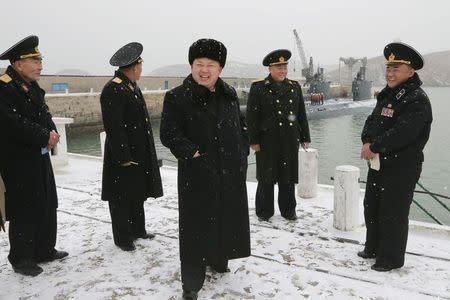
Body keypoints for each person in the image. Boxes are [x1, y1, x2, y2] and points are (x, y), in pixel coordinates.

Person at [160, 38, 250, 300]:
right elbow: (168, 134)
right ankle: (192, 278)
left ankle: (219, 256)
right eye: (199, 64)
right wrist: (192, 152)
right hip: (197, 174)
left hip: (229, 172)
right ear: (191, 66)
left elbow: (241, 125)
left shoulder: (229, 94)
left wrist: (242, 150)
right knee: (195, 225)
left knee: (224, 217)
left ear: (220, 68)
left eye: (211, 64)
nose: (204, 70)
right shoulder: (177, 97)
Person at [359, 42, 432, 272]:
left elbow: (403, 133)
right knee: (372, 206)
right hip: (380, 164)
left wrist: (375, 146)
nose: (390, 73)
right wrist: (366, 140)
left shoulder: (416, 99)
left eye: (396, 69)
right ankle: (373, 247)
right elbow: (372, 121)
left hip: (401, 167)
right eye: (388, 68)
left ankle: (389, 259)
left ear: (411, 72)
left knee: (393, 213)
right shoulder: (388, 94)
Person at [0, 35, 68, 276]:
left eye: (40, 59)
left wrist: (51, 131)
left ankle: (44, 249)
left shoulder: (32, 86)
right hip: (17, 160)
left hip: (39, 157)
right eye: (34, 60)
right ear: (18, 63)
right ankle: (21, 258)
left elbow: (43, 113)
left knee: (47, 202)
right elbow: (12, 123)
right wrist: (43, 136)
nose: (40, 65)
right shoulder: (4, 87)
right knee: (24, 208)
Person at [100, 42, 163, 252]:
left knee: (136, 193)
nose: (141, 70)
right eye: (140, 66)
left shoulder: (130, 86)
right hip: (123, 155)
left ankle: (137, 229)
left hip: (137, 153)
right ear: (133, 66)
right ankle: (123, 238)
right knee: (121, 197)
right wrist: (124, 156)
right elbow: (115, 127)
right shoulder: (114, 89)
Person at [246, 49, 311, 222]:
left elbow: (301, 114)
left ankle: (288, 210)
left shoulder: (294, 87)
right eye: (278, 67)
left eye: (285, 67)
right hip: (267, 140)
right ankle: (264, 211)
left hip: (289, 139)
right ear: (270, 68)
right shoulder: (258, 87)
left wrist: (305, 136)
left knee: (288, 177)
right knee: (266, 178)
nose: (283, 71)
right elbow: (252, 117)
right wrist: (253, 141)